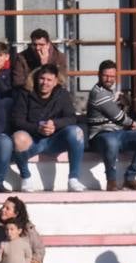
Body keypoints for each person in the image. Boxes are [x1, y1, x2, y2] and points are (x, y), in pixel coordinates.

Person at [8, 64, 87, 192]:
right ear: (36, 78)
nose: (45, 83)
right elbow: (17, 121)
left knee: (76, 132)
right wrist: (38, 127)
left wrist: (54, 124)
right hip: (33, 140)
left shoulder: (62, 94)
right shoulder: (25, 93)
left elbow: (71, 118)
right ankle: (26, 177)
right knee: (18, 137)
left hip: (55, 140)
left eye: (49, 80)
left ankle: (73, 178)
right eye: (42, 79)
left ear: (55, 81)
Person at [85, 59, 136, 191]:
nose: (109, 79)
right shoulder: (98, 93)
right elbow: (118, 116)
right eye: (106, 75)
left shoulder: (111, 91)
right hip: (100, 135)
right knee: (112, 142)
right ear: (98, 75)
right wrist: (132, 122)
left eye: (112, 76)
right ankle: (111, 180)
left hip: (119, 133)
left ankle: (130, 178)